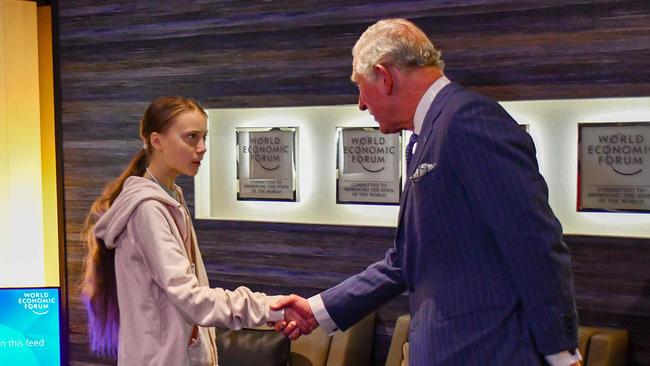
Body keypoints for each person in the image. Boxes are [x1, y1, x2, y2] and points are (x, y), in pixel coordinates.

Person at [272, 19, 581, 365]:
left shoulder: (467, 119)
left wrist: (562, 353)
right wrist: (318, 310)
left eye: (360, 87)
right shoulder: (425, 135)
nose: (361, 104)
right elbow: (407, 260)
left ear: (384, 76)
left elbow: (535, 242)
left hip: (487, 352)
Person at [80, 96, 311, 366]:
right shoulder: (147, 209)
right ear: (157, 141)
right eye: (191, 137)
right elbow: (192, 299)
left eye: (204, 138)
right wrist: (269, 308)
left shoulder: (171, 197)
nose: (201, 148)